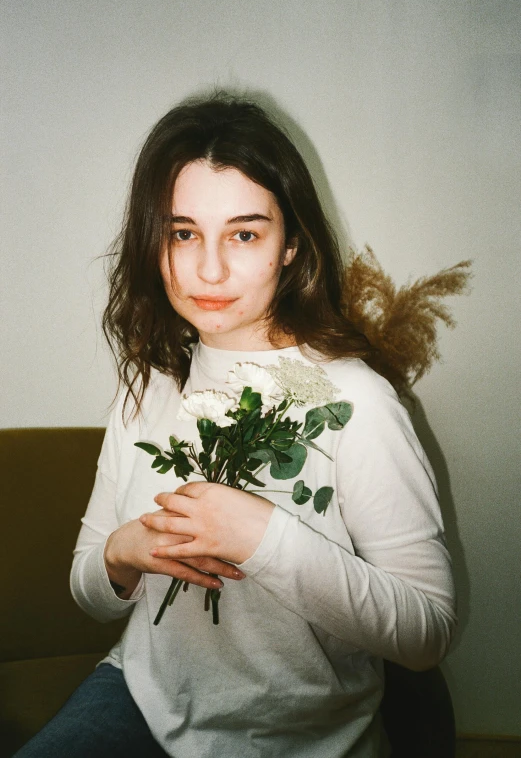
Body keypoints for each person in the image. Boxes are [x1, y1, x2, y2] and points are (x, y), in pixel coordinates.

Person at [16, 92, 457, 758]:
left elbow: (425, 635)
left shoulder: (355, 401)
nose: (209, 269)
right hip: (138, 695)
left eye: (244, 233)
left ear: (289, 246)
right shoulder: (151, 384)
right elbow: (91, 585)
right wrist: (123, 554)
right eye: (182, 232)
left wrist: (264, 539)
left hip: (304, 733)